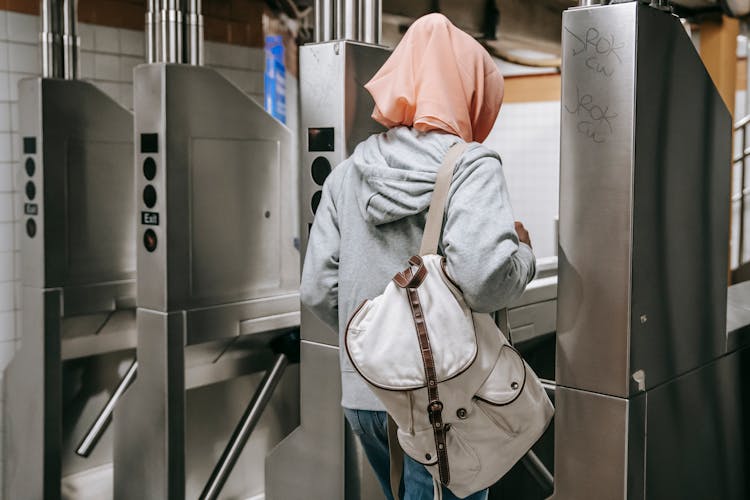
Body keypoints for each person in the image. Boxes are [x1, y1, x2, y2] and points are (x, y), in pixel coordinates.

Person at [299, 12, 536, 500]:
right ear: (471, 89)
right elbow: (486, 278)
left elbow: (318, 288)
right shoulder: (471, 165)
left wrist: (376, 351)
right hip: (444, 402)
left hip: (365, 396)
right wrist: (524, 254)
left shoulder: (347, 173)